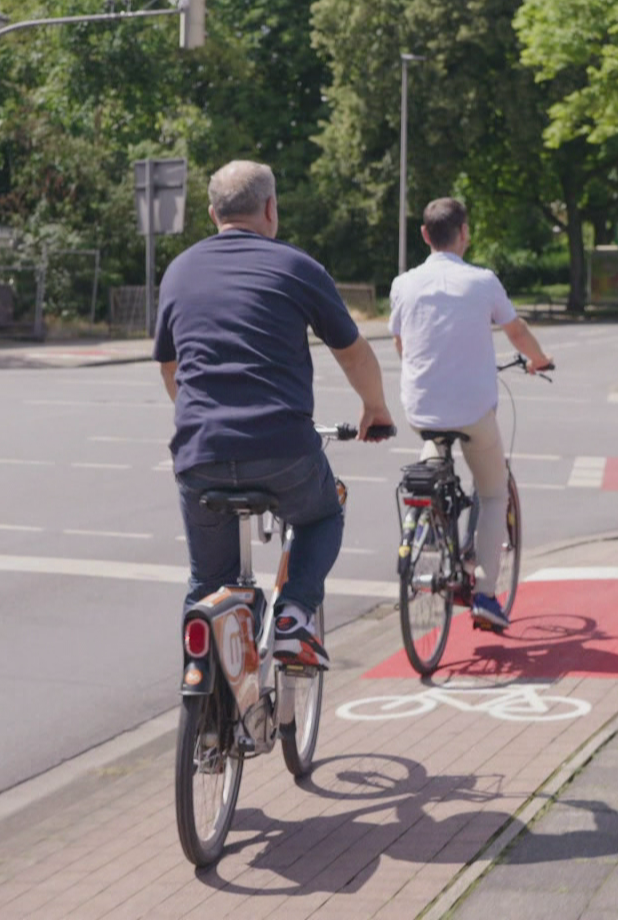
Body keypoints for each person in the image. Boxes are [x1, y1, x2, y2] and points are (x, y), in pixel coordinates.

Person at [155, 160, 394, 670]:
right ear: (271, 209)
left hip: (200, 452)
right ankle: (293, 617)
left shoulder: (179, 270)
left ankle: (201, 700)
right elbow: (351, 351)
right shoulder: (296, 266)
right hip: (282, 449)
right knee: (324, 512)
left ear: (212, 212)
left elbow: (170, 365)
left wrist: (203, 420)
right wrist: (375, 409)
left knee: (206, 582)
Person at [388, 197, 553, 632]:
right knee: (493, 491)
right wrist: (538, 359)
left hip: (421, 409)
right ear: (465, 233)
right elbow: (515, 330)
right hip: (475, 412)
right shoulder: (483, 282)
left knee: (432, 455)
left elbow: (401, 344)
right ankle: (484, 593)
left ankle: (422, 519)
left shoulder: (403, 283)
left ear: (424, 235)